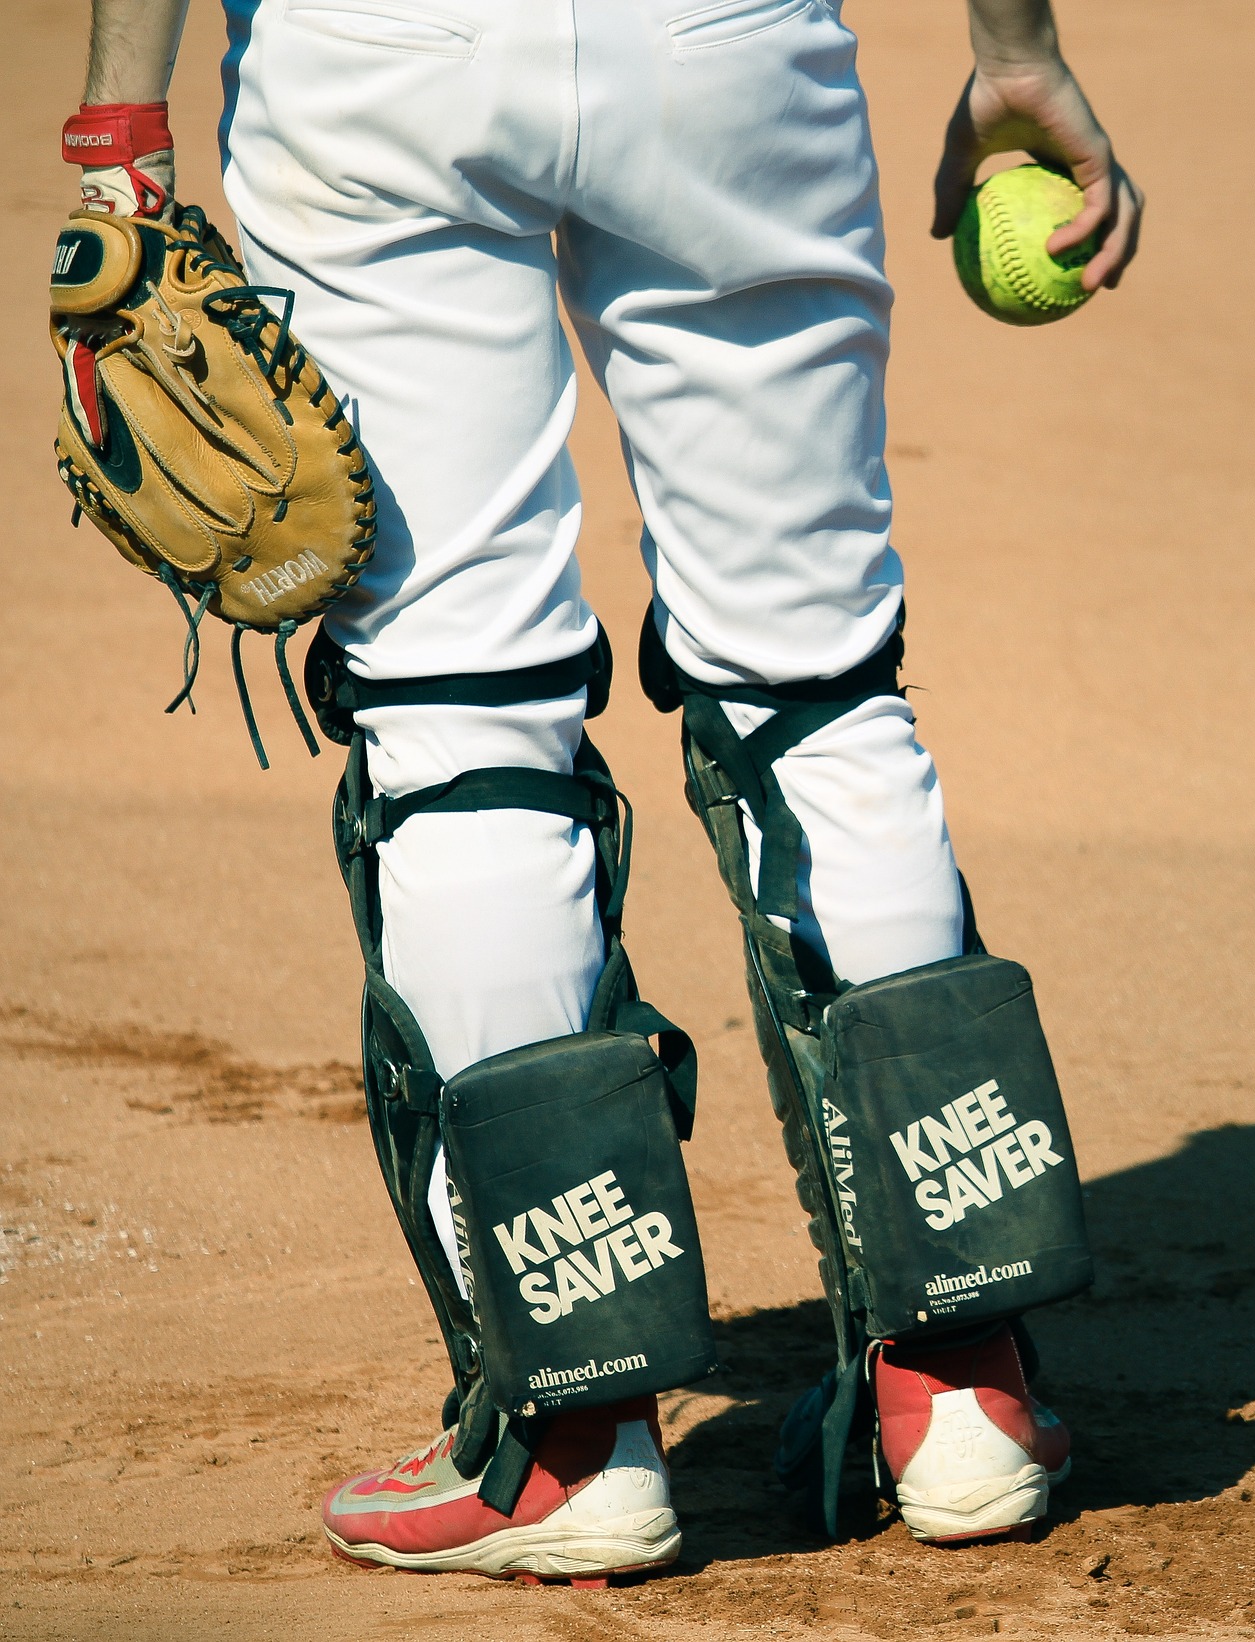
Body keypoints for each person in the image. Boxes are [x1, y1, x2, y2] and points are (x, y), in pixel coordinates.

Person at [68, 0, 1140, 1583]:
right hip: (726, 48)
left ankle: (567, 1447)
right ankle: (961, 1387)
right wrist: (1013, 51)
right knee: (814, 682)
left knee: (458, 713)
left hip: (381, 62)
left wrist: (120, 139)